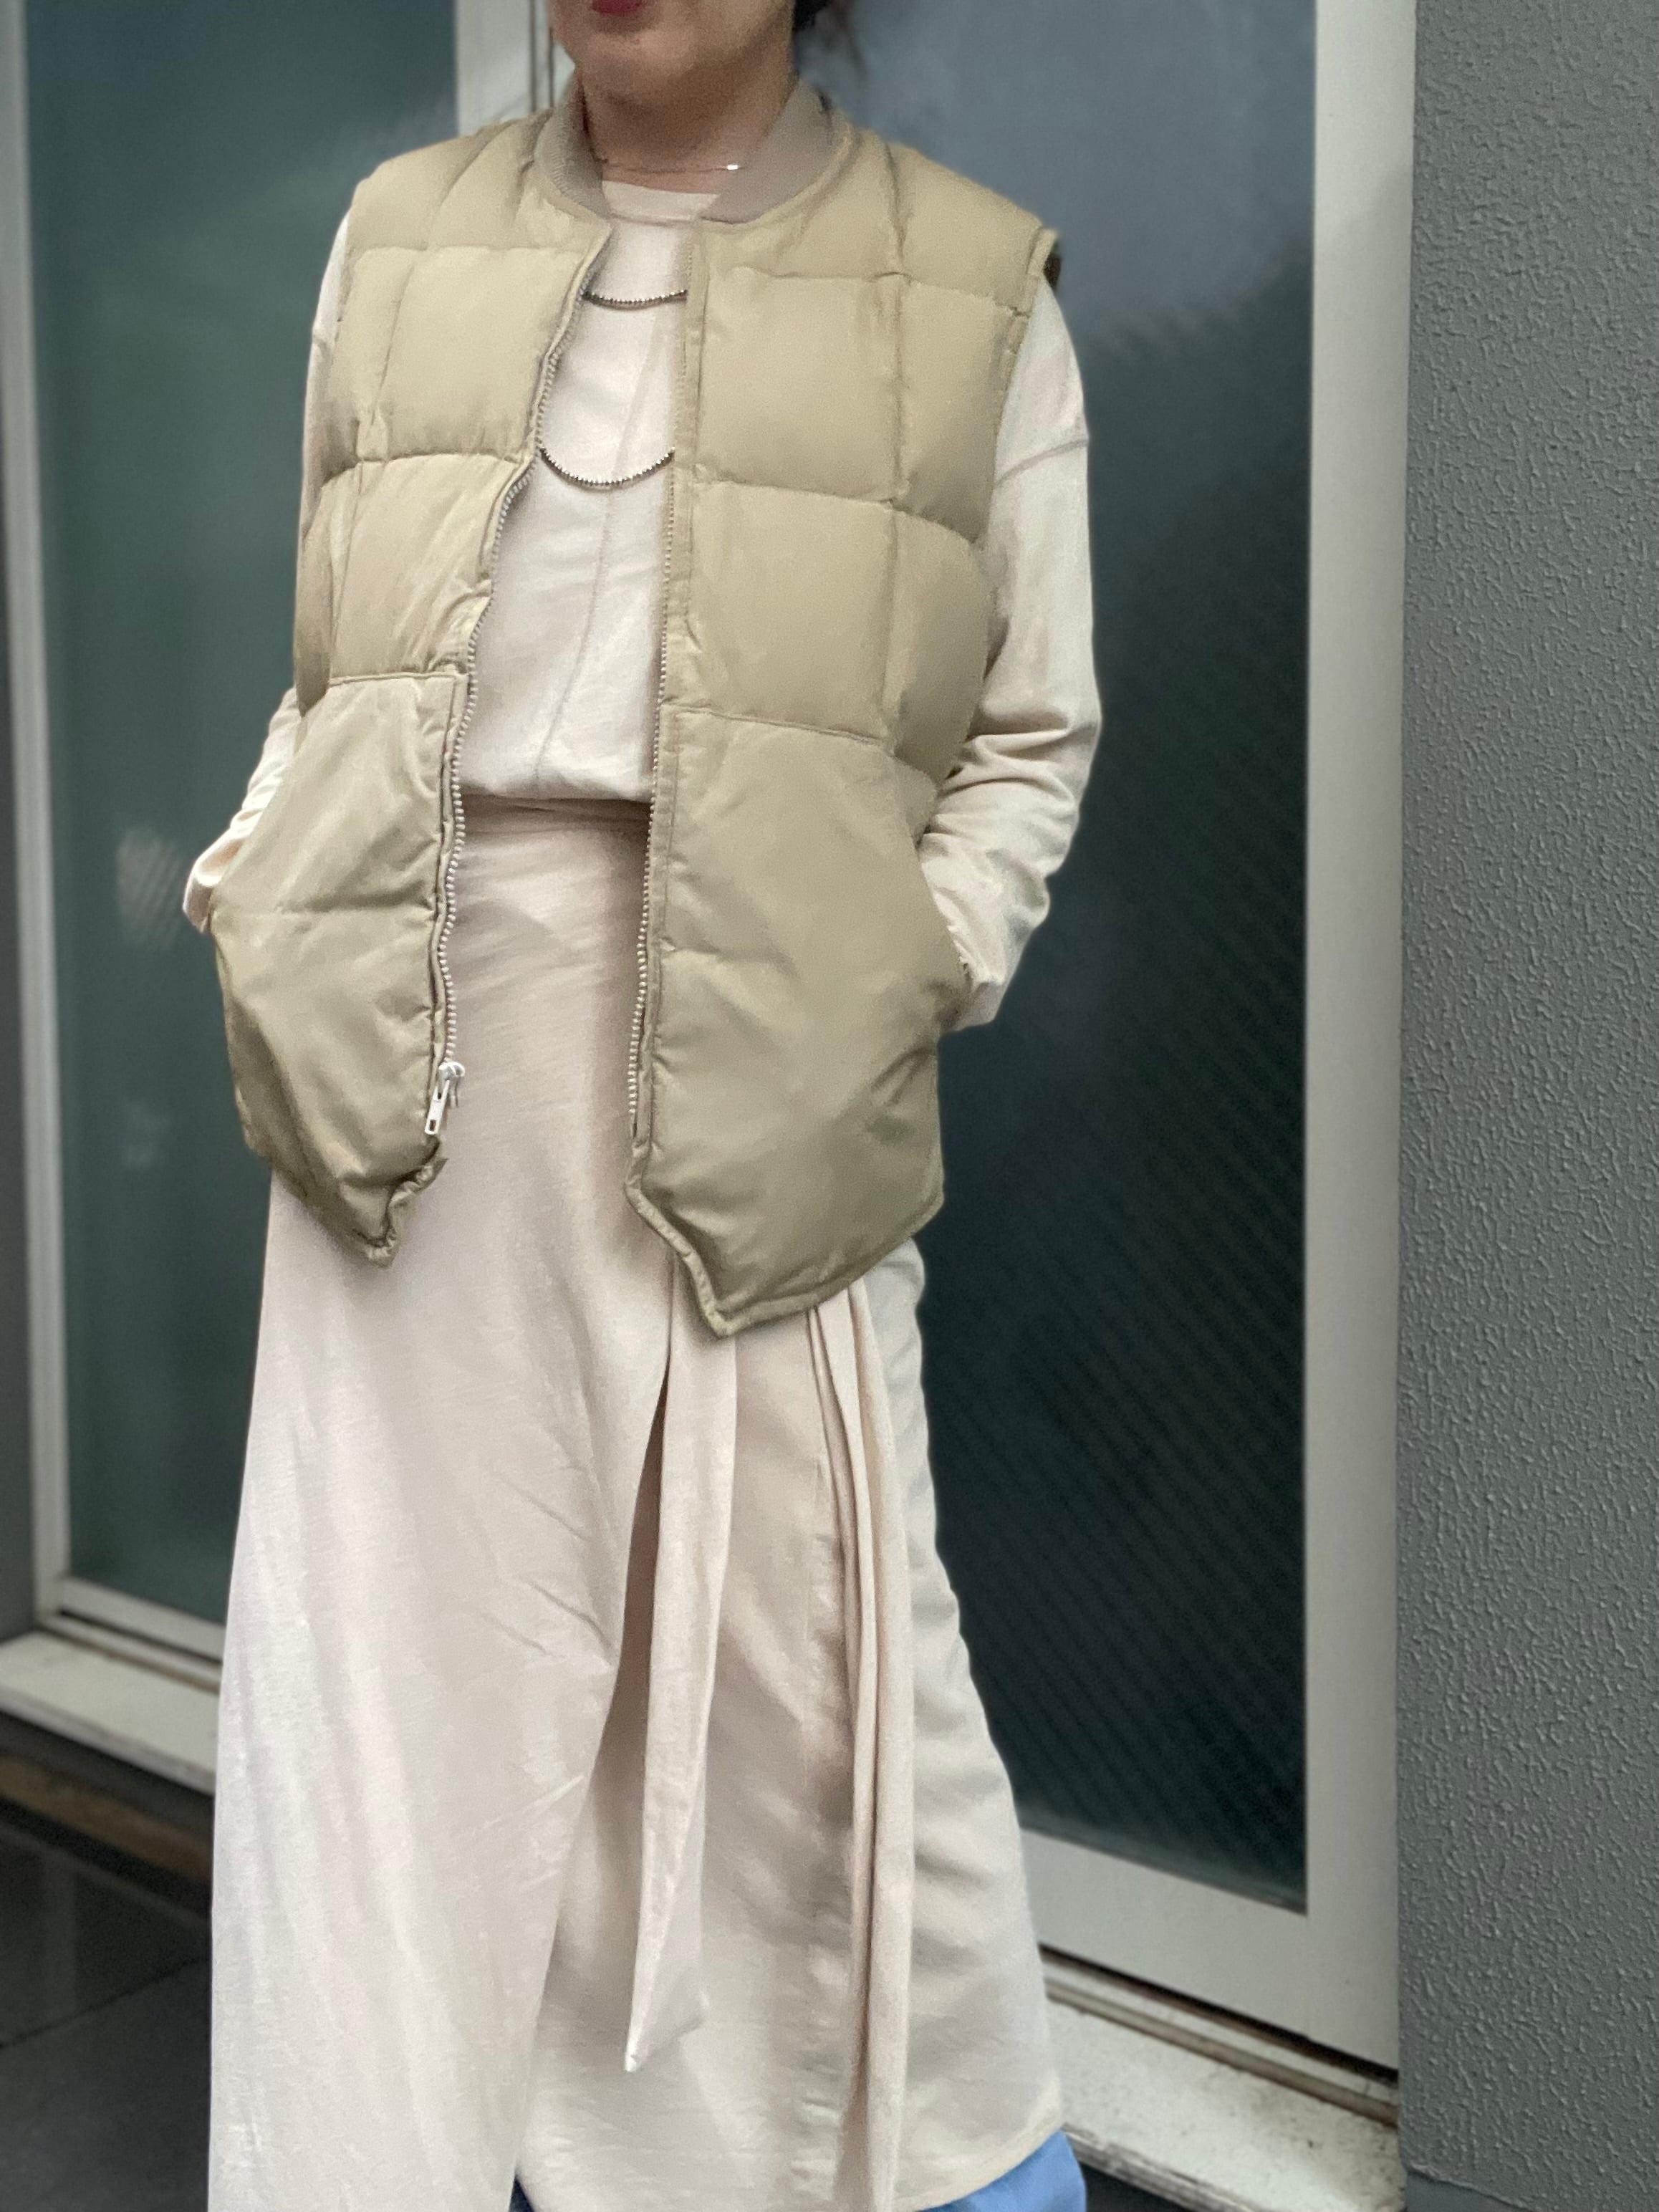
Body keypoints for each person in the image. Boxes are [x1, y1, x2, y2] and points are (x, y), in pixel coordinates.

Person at [188, 1, 1101, 2206]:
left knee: (816, 1705)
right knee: (394, 1712)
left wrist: (903, 972)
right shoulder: (395, 232)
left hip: (773, 1076)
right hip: (405, 1058)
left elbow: (1028, 735)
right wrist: (256, 885)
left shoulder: (971, 279)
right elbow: (333, 664)